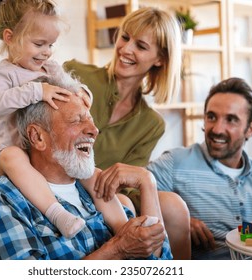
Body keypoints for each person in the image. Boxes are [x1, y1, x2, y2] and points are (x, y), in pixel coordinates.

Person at [0, 73, 171, 260]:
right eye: (77, 121)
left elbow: (158, 264)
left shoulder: (98, 190)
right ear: (38, 137)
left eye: (91, 121)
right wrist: (117, 250)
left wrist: (147, 183)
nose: (94, 130)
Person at [96, 77, 252, 260]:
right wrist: (180, 220)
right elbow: (130, 195)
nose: (217, 129)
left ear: (251, 128)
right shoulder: (175, 162)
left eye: (231, 120)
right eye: (211, 117)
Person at [0, 0, 126, 239]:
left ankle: (125, 227)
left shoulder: (50, 68)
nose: (47, 51)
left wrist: (83, 93)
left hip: (48, 155)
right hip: (16, 153)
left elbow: (74, 86)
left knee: (92, 173)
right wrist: (37, 91)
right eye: (39, 44)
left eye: (51, 44)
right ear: (10, 37)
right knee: (11, 156)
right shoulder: (1, 75)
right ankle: (58, 214)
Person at [64, 7, 191, 260]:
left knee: (173, 205)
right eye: (125, 37)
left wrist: (144, 184)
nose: (126, 49)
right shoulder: (77, 75)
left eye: (141, 46)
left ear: (160, 59)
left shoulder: (151, 124)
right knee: (124, 204)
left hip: (106, 194)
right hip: (63, 183)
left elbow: (129, 180)